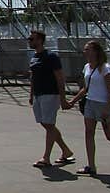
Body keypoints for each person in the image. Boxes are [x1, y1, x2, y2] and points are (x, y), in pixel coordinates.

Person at [68, 40, 110, 176]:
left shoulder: (105, 68)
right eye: (85, 49)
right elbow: (85, 88)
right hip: (90, 103)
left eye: (88, 49)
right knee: (89, 133)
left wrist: (106, 109)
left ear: (95, 51)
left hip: (104, 105)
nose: (85, 52)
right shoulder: (87, 67)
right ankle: (91, 166)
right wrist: (72, 101)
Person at [27, 30, 75, 168]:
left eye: (32, 39)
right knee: (47, 124)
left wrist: (63, 98)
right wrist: (31, 95)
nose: (30, 41)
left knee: (49, 124)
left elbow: (60, 77)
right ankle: (66, 151)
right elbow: (33, 77)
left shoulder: (51, 57)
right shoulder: (34, 57)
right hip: (38, 94)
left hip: (50, 94)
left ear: (40, 40)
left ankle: (46, 157)